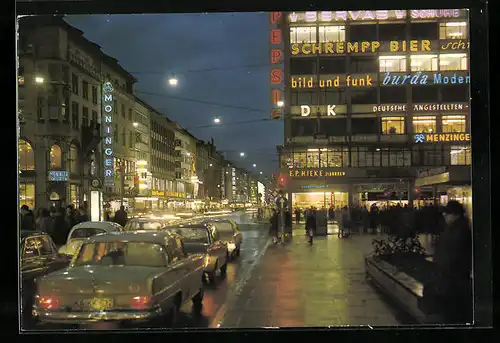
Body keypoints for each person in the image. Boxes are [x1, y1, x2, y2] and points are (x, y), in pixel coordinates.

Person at [422, 200, 472, 324]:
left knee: (450, 312)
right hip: (449, 279)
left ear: (456, 214)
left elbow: (452, 255)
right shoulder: (453, 228)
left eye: (447, 213)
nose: (444, 215)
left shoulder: (458, 231)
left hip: (451, 280)